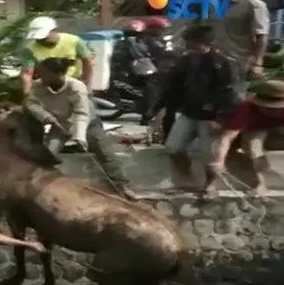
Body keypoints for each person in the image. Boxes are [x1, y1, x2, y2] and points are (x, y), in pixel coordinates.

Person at [24, 57, 137, 200]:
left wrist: (79, 137)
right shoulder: (38, 86)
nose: (40, 77)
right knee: (47, 154)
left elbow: (82, 114)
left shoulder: (76, 87)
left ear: (58, 74)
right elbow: (31, 104)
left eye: (44, 73)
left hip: (87, 123)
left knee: (104, 152)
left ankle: (122, 186)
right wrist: (48, 118)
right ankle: (42, 186)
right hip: (60, 124)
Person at [161, 25, 239, 197]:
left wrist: (220, 117)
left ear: (208, 43)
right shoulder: (186, 61)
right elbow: (175, 87)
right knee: (173, 148)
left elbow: (229, 93)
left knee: (209, 155)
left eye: (193, 44)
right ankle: (187, 181)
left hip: (211, 116)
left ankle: (209, 185)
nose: (189, 48)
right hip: (189, 112)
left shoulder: (223, 63)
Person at [209, 80, 284, 197]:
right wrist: (219, 161)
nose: (275, 111)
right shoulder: (246, 108)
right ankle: (261, 184)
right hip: (257, 128)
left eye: (278, 108)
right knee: (254, 149)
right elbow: (227, 138)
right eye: (270, 108)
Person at [212, 0, 269, 94]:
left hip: (241, 62)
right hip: (218, 61)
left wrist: (258, 63)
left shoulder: (254, 4)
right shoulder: (219, 6)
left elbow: (261, 35)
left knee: (238, 98)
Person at [20, 16, 94, 96]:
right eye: (38, 38)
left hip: (73, 83)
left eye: (43, 37)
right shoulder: (30, 49)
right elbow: (27, 73)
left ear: (54, 30)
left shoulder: (74, 41)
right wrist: (27, 93)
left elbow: (88, 64)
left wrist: (87, 85)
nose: (40, 40)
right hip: (47, 84)